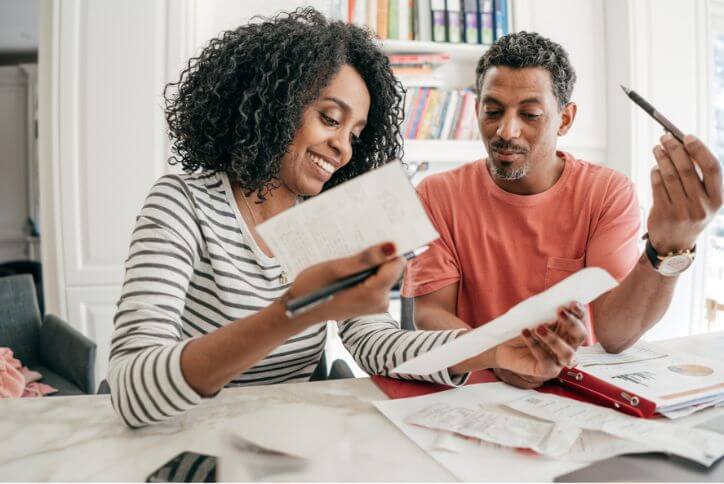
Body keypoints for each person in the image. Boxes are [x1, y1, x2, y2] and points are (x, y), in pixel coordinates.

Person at [108, 10, 586, 428]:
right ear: (271, 104)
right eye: (330, 119)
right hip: (184, 438)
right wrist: (294, 311)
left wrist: (492, 349)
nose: (343, 148)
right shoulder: (182, 205)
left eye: (356, 133)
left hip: (281, 441)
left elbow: (376, 343)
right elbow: (131, 387)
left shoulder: (328, 223)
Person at [403, 31, 723, 389]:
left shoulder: (606, 192)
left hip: (572, 389)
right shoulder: (436, 193)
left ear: (565, 119)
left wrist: (666, 247)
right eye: (492, 111)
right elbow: (430, 311)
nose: (506, 131)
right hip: (473, 387)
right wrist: (497, 354)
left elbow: (614, 335)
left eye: (530, 114)